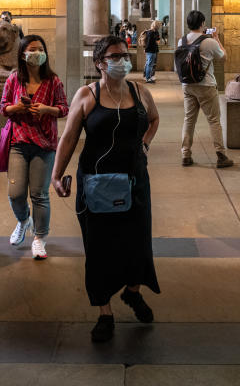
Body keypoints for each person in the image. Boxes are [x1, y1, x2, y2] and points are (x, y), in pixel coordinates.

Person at [50, 35, 161, 343]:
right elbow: (69, 137)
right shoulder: (87, 95)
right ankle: (104, 313)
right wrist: (57, 175)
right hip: (97, 181)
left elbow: (153, 120)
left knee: (137, 242)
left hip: (135, 179)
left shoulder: (140, 91)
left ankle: (133, 292)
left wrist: (145, 144)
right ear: (99, 63)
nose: (122, 60)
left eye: (125, 55)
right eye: (114, 56)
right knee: (100, 247)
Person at [0, 35, 69, 259]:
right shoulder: (13, 80)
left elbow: (64, 108)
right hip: (19, 142)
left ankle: (40, 238)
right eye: (32, 49)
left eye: (41, 49)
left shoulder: (53, 81)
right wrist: (17, 107)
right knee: (16, 193)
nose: (37, 53)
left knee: (39, 194)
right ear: (23, 54)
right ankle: (23, 220)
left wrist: (46, 110)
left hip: (45, 144)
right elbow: (3, 108)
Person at [178, 11, 234, 168]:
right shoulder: (209, 42)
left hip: (187, 85)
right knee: (214, 120)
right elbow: (224, 57)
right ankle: (221, 156)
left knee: (189, 120)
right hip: (206, 85)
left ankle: (185, 154)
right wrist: (216, 38)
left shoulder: (181, 41)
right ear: (202, 23)